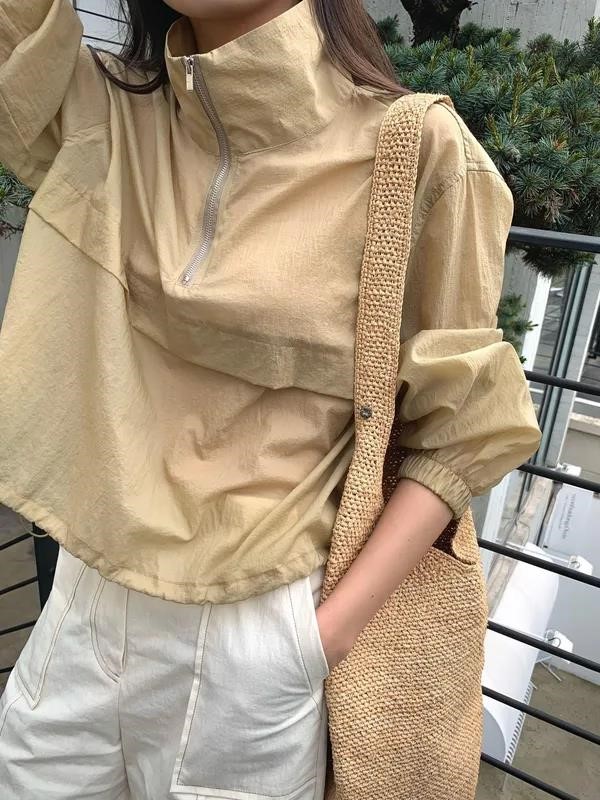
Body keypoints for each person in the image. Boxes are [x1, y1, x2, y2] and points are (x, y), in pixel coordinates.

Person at [0, 1, 542, 798]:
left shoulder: (415, 149)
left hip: (256, 632)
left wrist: (320, 639)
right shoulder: (106, 117)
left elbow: (463, 433)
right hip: (85, 595)